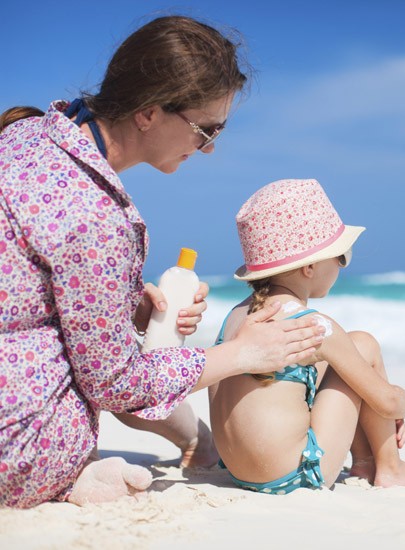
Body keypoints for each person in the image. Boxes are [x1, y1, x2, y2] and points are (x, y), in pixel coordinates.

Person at [0, 16, 325, 509]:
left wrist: (125, 303)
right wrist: (242, 354)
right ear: (148, 113)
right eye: (205, 129)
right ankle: (66, 481)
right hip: (16, 451)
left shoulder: (26, 136)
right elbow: (114, 383)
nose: (211, 147)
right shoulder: (95, 217)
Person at [209, 178, 405, 494]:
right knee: (363, 346)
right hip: (294, 476)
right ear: (310, 267)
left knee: (336, 363)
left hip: (240, 472)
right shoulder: (314, 326)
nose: (342, 266)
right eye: (341, 256)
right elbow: (387, 403)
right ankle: (390, 466)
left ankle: (364, 462)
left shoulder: (238, 316)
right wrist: (402, 403)